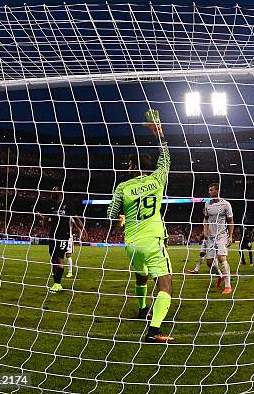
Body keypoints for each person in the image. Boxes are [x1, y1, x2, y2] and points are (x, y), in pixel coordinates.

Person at [107, 109, 174, 343]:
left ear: (131, 166)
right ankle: (154, 330)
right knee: (165, 286)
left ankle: (143, 309)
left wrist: (122, 218)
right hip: (154, 240)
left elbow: (111, 214)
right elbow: (166, 159)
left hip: (131, 243)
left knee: (141, 275)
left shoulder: (123, 187)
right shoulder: (156, 179)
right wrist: (160, 133)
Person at [39, 186, 84, 293]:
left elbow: (76, 219)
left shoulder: (68, 204)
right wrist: (42, 222)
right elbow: (45, 220)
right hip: (52, 236)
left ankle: (58, 284)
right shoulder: (51, 204)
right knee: (53, 259)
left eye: (53, 192)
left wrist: (82, 230)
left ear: (59, 193)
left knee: (59, 258)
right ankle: (55, 282)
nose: (51, 193)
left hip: (63, 235)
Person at [203, 183, 234, 294]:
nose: (209, 192)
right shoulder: (207, 204)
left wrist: (230, 236)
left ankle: (228, 286)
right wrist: (205, 230)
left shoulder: (226, 204)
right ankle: (220, 276)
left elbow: (230, 221)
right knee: (209, 263)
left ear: (217, 191)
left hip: (221, 236)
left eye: (211, 190)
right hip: (211, 237)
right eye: (209, 190)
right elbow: (206, 219)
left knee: (221, 258)